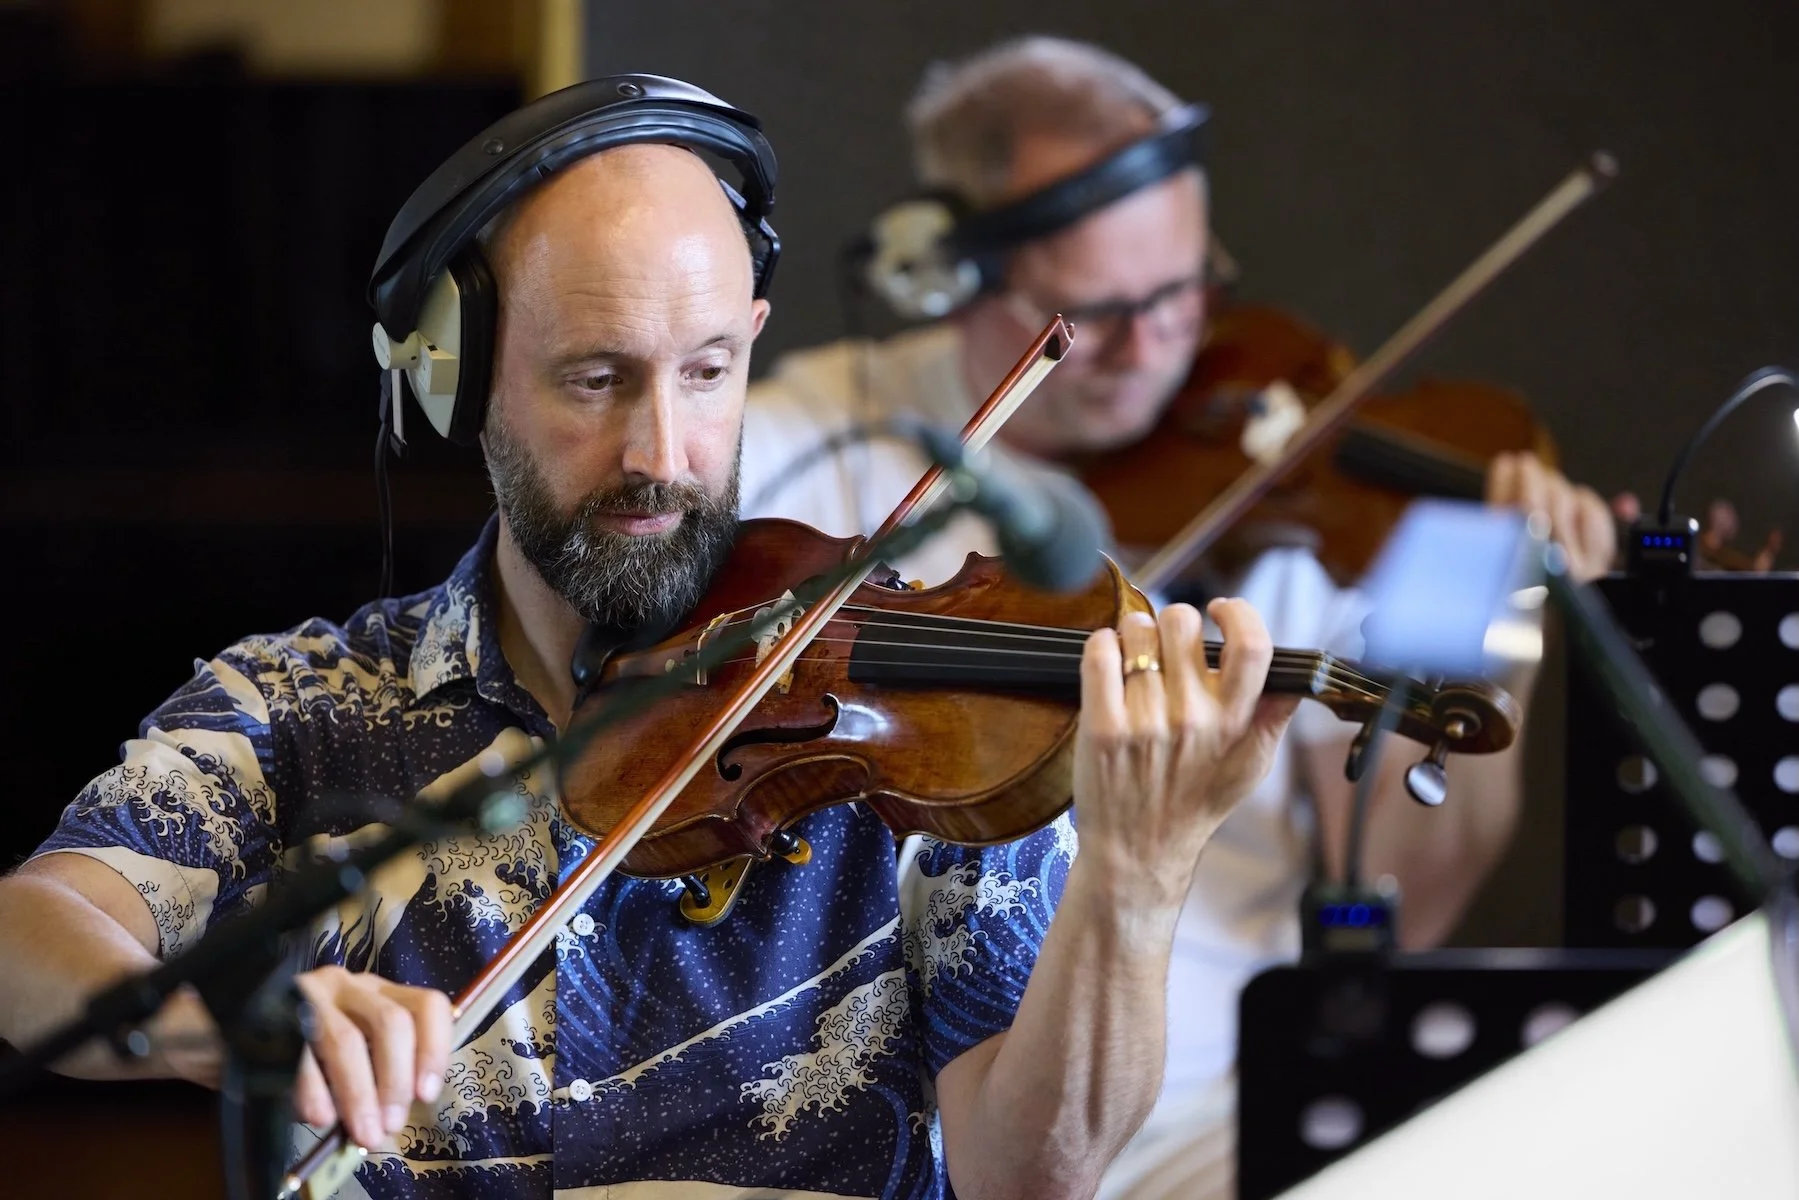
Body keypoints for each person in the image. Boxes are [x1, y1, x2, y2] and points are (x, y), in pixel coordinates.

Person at [0, 78, 1296, 1200]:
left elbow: (1036, 1176)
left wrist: (1138, 874)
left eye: (706, 371)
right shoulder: (299, 704)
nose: (660, 457)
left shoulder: (916, 738)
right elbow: (33, 933)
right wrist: (214, 1017)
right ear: (457, 376)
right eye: (595, 378)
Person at [737, 37, 1617, 1198]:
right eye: (1099, 312)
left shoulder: (1291, 506)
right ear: (952, 270)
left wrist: (1484, 626)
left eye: (1185, 288)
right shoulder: (811, 442)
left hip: (1221, 1106)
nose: (1161, 345)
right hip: (910, 1118)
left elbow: (1410, 893)